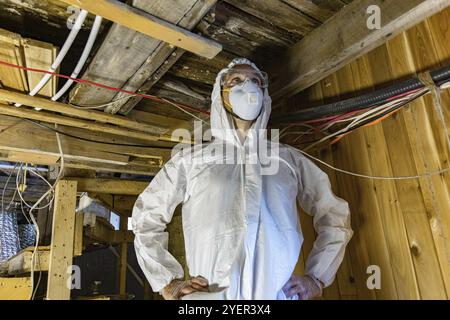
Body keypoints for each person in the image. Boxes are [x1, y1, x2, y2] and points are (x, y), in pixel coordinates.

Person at [132, 58, 353, 300]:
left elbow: (334, 216)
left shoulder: (288, 160)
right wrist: (168, 282)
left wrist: (316, 277)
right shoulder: (191, 161)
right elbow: (146, 218)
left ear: (264, 95)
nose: (248, 87)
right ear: (220, 95)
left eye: (256, 81)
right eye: (236, 81)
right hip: (209, 298)